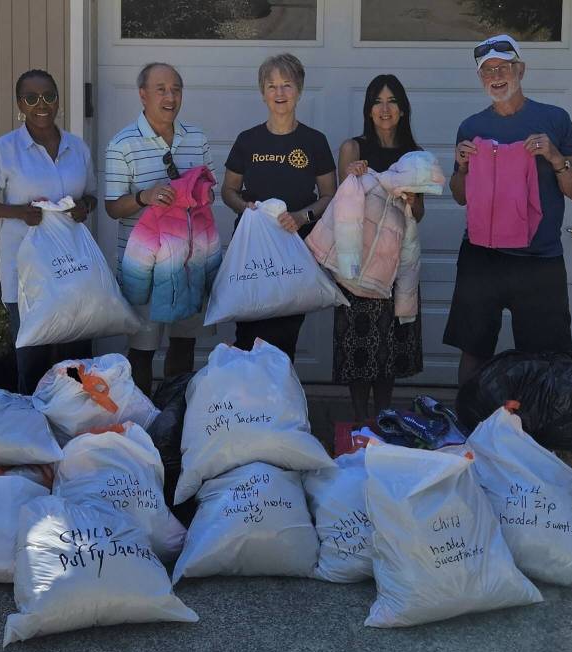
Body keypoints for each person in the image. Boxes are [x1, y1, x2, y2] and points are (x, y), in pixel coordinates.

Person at [446, 35, 572, 386]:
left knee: (547, 357)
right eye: (487, 71)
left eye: (503, 67)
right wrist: (462, 167)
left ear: (520, 70)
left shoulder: (555, 120)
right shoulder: (471, 128)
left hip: (538, 259)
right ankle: (470, 428)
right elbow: (460, 196)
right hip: (482, 258)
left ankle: (544, 432)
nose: (495, 76)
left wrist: (556, 158)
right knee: (474, 349)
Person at [0, 69, 98, 394]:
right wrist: (19, 213)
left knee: (76, 358)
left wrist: (85, 207)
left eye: (49, 96)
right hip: (27, 272)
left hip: (72, 267)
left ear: (58, 101)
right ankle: (36, 432)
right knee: (33, 359)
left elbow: (92, 194)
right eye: (31, 98)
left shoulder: (77, 148)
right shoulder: (4, 150)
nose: (42, 104)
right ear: (20, 105)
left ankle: (75, 425)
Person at [104, 63, 216, 395]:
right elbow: (112, 207)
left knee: (183, 345)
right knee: (142, 349)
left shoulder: (196, 137)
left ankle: (173, 416)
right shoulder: (121, 144)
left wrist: (195, 191)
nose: (170, 97)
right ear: (142, 94)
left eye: (176, 89)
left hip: (189, 263)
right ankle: (141, 424)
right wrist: (145, 197)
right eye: (161, 89)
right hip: (144, 267)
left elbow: (210, 187)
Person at [221, 53, 336, 361]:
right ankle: (247, 404)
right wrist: (244, 207)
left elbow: (329, 196)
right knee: (247, 332)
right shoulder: (248, 140)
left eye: (287, 85)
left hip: (294, 253)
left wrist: (302, 216)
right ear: (262, 93)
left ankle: (278, 402)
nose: (280, 93)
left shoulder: (314, 141)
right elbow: (228, 190)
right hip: (251, 254)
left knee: (284, 337)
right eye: (271, 86)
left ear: (298, 90)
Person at [335, 74, 425, 420]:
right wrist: (353, 176)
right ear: (368, 110)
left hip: (398, 263)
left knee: (390, 350)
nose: (384, 109)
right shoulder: (352, 149)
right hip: (358, 263)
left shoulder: (415, 156)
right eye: (377, 101)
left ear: (403, 110)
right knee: (357, 351)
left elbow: (418, 215)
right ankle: (360, 424)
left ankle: (385, 420)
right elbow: (342, 209)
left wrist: (413, 198)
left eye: (392, 102)